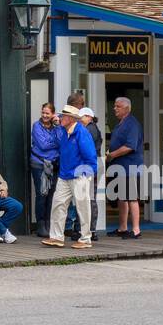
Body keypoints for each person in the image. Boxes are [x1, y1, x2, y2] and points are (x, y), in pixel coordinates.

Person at [43, 104, 97, 250]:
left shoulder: (81, 132)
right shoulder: (64, 130)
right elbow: (56, 136)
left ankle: (85, 239)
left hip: (79, 174)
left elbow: (90, 156)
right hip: (65, 174)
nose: (61, 118)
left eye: (64, 116)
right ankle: (56, 237)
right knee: (58, 204)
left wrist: (86, 174)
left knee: (82, 207)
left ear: (72, 119)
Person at [107, 96, 145, 239]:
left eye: (118, 106)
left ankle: (136, 230)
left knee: (132, 197)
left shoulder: (132, 124)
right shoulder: (120, 124)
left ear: (127, 108)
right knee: (122, 198)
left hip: (130, 166)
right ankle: (122, 228)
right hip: (120, 167)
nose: (114, 108)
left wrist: (112, 155)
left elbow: (130, 146)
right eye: (115, 106)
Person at [67, 107, 103, 242]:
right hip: (88, 165)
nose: (79, 120)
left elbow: (83, 148)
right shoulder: (89, 128)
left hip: (90, 165)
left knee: (89, 198)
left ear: (89, 117)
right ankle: (83, 229)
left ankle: (90, 230)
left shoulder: (90, 129)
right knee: (84, 197)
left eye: (81, 117)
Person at [30, 103, 59, 237]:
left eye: (47, 113)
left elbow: (63, 139)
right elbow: (43, 145)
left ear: (53, 114)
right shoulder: (36, 126)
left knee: (51, 195)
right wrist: (55, 142)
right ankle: (40, 225)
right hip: (40, 164)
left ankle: (48, 223)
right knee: (42, 194)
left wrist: (58, 127)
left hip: (54, 164)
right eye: (43, 112)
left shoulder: (57, 127)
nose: (45, 115)